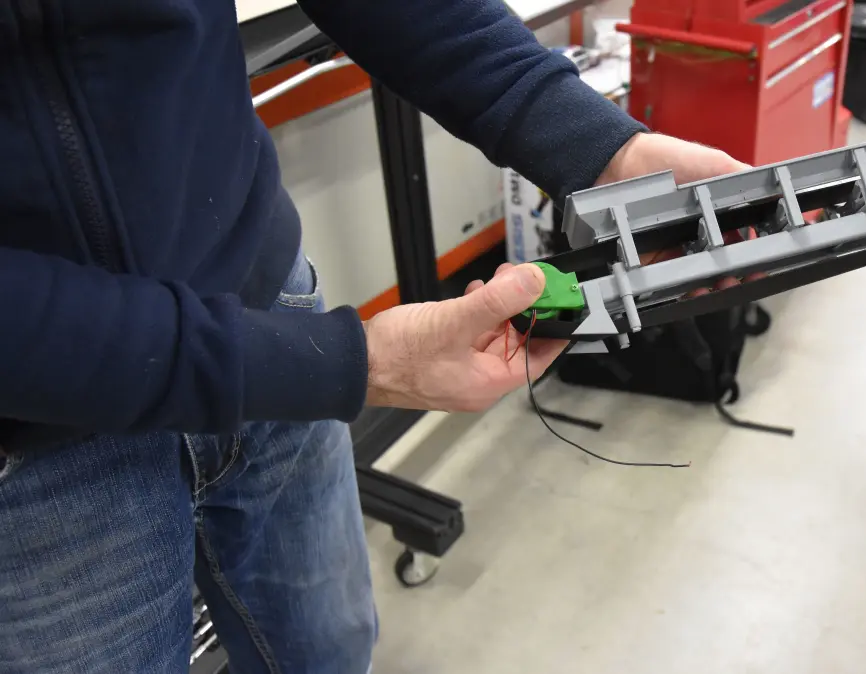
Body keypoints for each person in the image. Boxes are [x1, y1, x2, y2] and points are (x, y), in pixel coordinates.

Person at [0, 1, 748, 671]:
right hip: (40, 436)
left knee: (330, 648)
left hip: (267, 305)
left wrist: (598, 148)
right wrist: (360, 365)